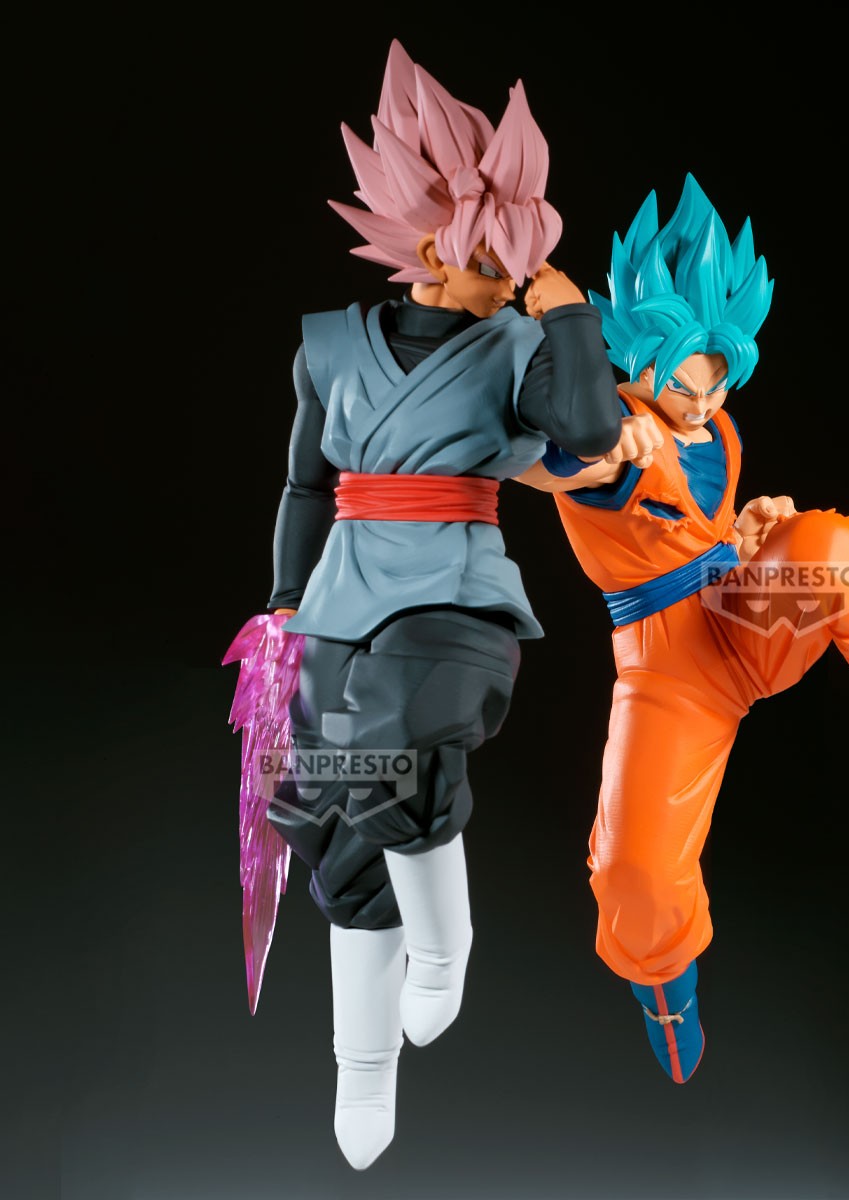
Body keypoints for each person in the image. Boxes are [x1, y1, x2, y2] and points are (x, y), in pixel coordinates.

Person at [515, 174, 849, 1086]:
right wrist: (568, 333)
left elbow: (705, 529)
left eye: (717, 380)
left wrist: (746, 536)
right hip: (668, 668)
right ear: (639, 357)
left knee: (827, 549)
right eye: (685, 383)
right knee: (636, 866)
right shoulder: (611, 428)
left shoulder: (720, 433)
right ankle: (666, 995)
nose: (702, 402)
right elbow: (539, 455)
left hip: (741, 614)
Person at [224, 39, 621, 1169]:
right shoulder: (328, 348)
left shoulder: (521, 347)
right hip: (342, 594)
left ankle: (445, 946)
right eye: (500, 250)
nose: (513, 272)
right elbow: (306, 486)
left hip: (455, 592)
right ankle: (362, 1070)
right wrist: (284, 607)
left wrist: (569, 315)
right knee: (332, 824)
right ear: (437, 246)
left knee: (394, 746)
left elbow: (590, 430)